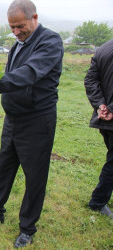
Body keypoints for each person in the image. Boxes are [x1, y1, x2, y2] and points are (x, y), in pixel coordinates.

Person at [0, 0, 64, 247]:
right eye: (12, 27)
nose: (16, 31)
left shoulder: (50, 41)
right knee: (5, 167)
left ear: (35, 17)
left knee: (34, 175)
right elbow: (7, 76)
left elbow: (30, 72)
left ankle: (27, 228)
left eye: (20, 26)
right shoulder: (17, 46)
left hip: (37, 120)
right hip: (13, 119)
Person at [84, 39, 113, 220]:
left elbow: (90, 80)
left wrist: (100, 104)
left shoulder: (103, 49)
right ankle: (98, 201)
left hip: (105, 117)